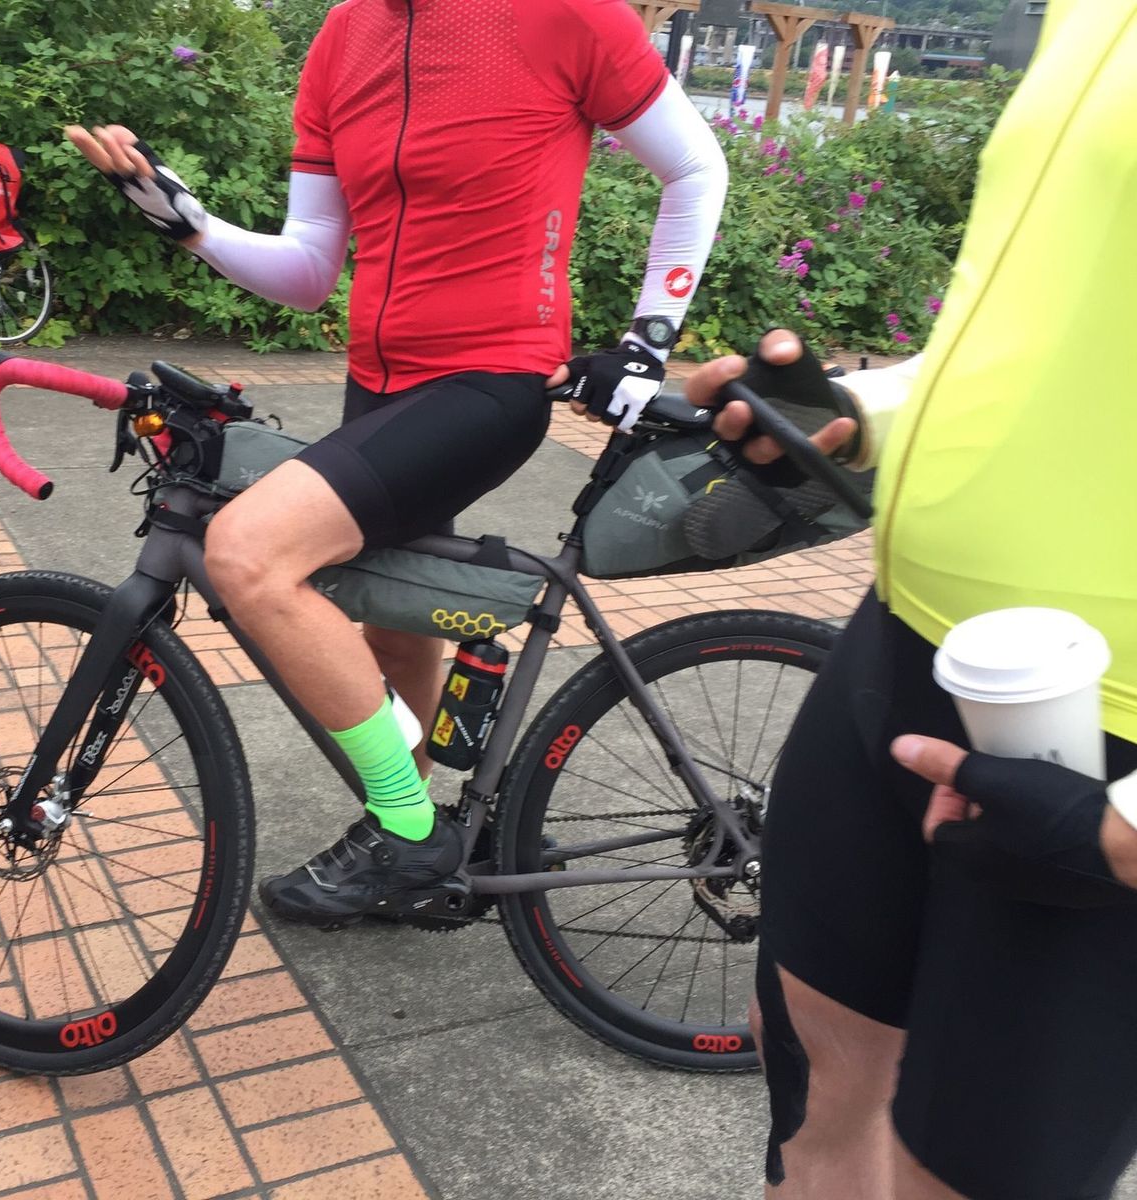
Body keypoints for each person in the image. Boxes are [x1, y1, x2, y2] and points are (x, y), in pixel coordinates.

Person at [66, 0, 727, 925]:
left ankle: (409, 833)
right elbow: (310, 270)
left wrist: (647, 343)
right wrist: (191, 223)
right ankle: (408, 849)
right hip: (380, 386)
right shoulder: (345, 38)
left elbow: (695, 167)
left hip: (491, 383)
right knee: (396, 621)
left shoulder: (563, 13)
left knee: (250, 553)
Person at [679, 1, 1137, 1194]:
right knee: (813, 1090)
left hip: (1101, 742)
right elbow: (1040, 335)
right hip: (899, 649)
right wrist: (856, 413)